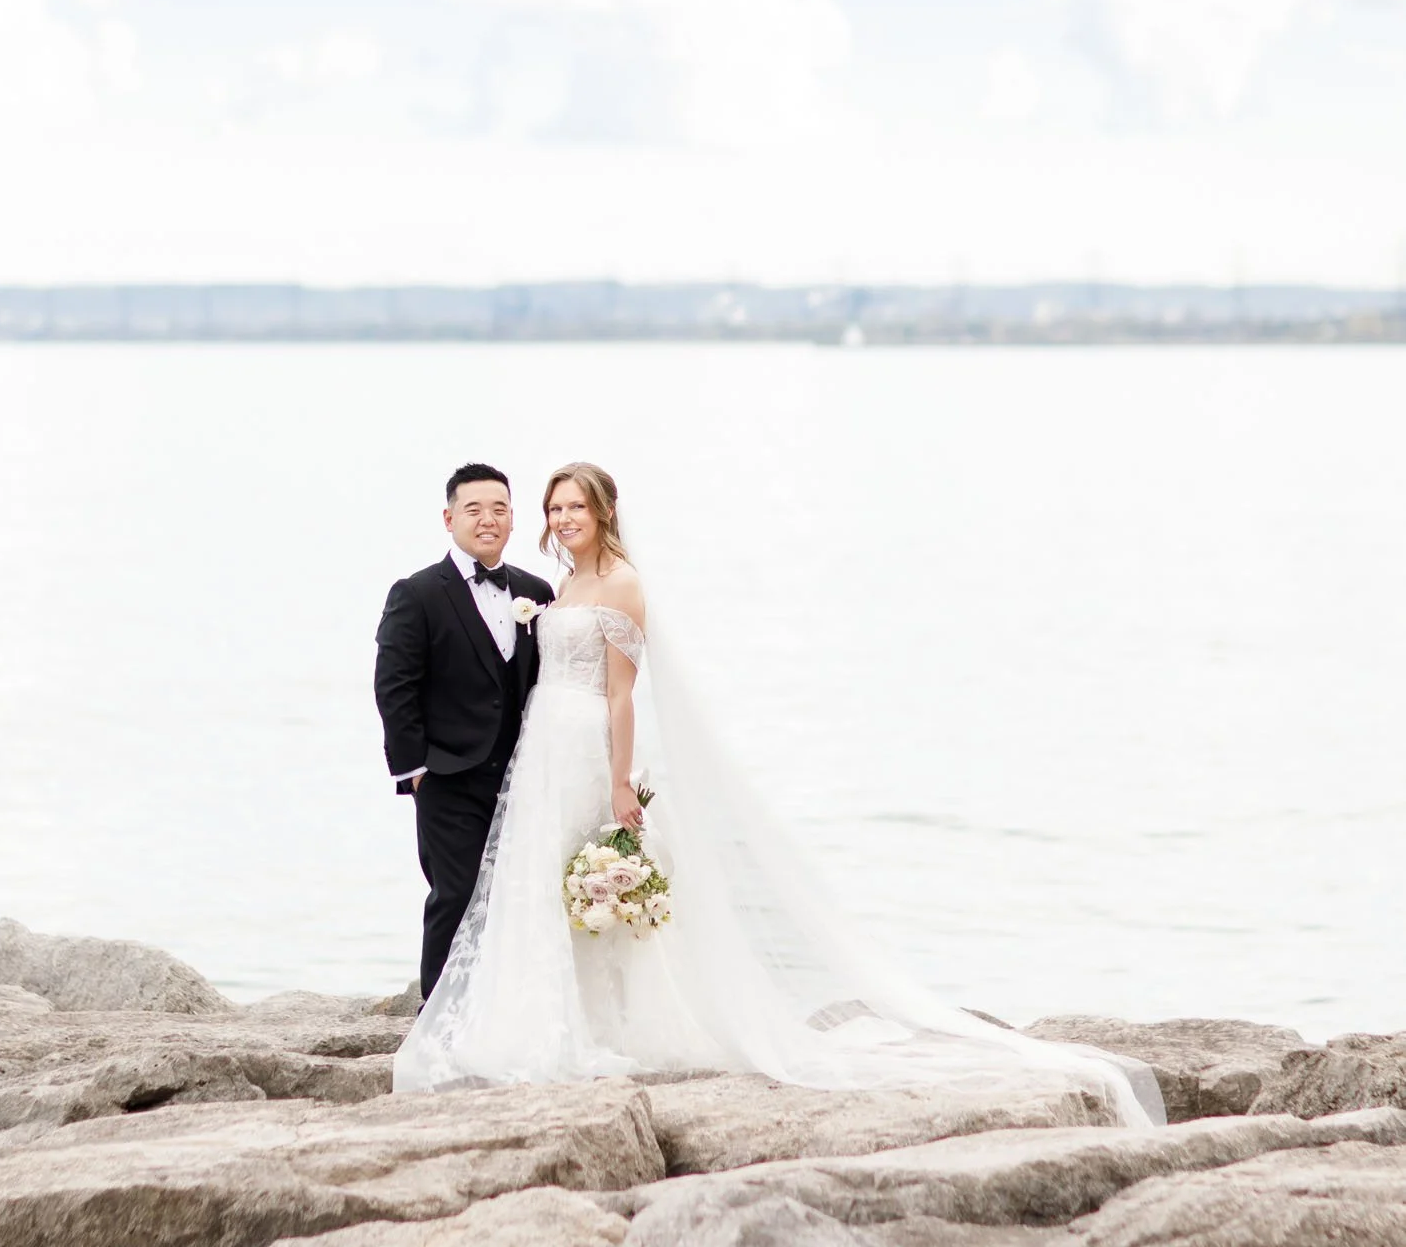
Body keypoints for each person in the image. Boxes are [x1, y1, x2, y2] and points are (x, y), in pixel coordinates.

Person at [392, 459, 1162, 1128]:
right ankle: (525, 1009)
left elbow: (624, 697)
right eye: (553, 508)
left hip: (586, 746)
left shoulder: (623, 584)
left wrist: (621, 780)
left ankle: (602, 1018)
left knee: (575, 872)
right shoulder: (551, 585)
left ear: (603, 513)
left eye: (574, 507)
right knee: (533, 882)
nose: (561, 518)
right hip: (539, 752)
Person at [374, 463, 556, 1003]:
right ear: (449, 517)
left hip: (520, 777)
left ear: (513, 519)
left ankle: (501, 1010)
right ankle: (439, 1021)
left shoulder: (535, 590)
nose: (488, 519)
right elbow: (395, 687)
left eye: (499, 509)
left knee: (515, 898)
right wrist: (417, 773)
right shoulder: (417, 593)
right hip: (447, 777)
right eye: (474, 509)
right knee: (455, 896)